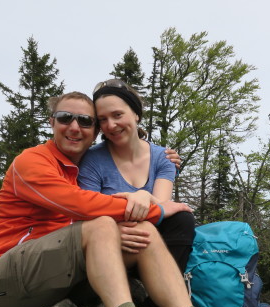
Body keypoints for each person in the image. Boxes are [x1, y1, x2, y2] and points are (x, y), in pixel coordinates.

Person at [0, 91, 267, 307]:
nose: (75, 127)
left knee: (141, 232)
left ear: (95, 132)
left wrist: (161, 160)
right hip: (7, 281)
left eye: (86, 121)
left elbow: (108, 187)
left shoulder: (81, 166)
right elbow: (80, 206)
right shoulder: (33, 162)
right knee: (103, 223)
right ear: (52, 122)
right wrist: (156, 209)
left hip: (58, 278)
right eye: (65, 118)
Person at [78, 79, 195, 272]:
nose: (111, 125)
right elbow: (88, 212)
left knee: (182, 219)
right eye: (103, 119)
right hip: (111, 246)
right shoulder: (92, 160)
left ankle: (161, 296)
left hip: (151, 240)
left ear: (136, 114)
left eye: (117, 115)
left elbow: (163, 209)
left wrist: (146, 197)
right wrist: (113, 230)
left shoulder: (163, 157)